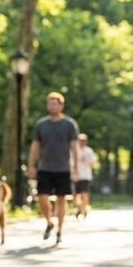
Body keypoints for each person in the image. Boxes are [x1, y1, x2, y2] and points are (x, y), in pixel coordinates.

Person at [27, 92, 79, 245]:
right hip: (44, 167)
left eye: (54, 103)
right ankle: (49, 221)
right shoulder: (41, 125)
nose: (51, 106)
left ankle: (60, 230)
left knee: (61, 200)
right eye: (49, 103)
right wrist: (31, 165)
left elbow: (74, 146)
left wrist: (75, 166)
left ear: (61, 105)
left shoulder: (69, 124)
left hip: (63, 168)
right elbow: (35, 146)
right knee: (42, 197)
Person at [73, 134, 96, 219]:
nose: (81, 142)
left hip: (85, 176)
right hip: (75, 176)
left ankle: (84, 209)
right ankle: (79, 208)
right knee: (74, 195)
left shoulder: (89, 151)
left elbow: (92, 164)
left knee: (84, 194)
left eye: (83, 141)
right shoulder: (74, 151)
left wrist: (85, 160)